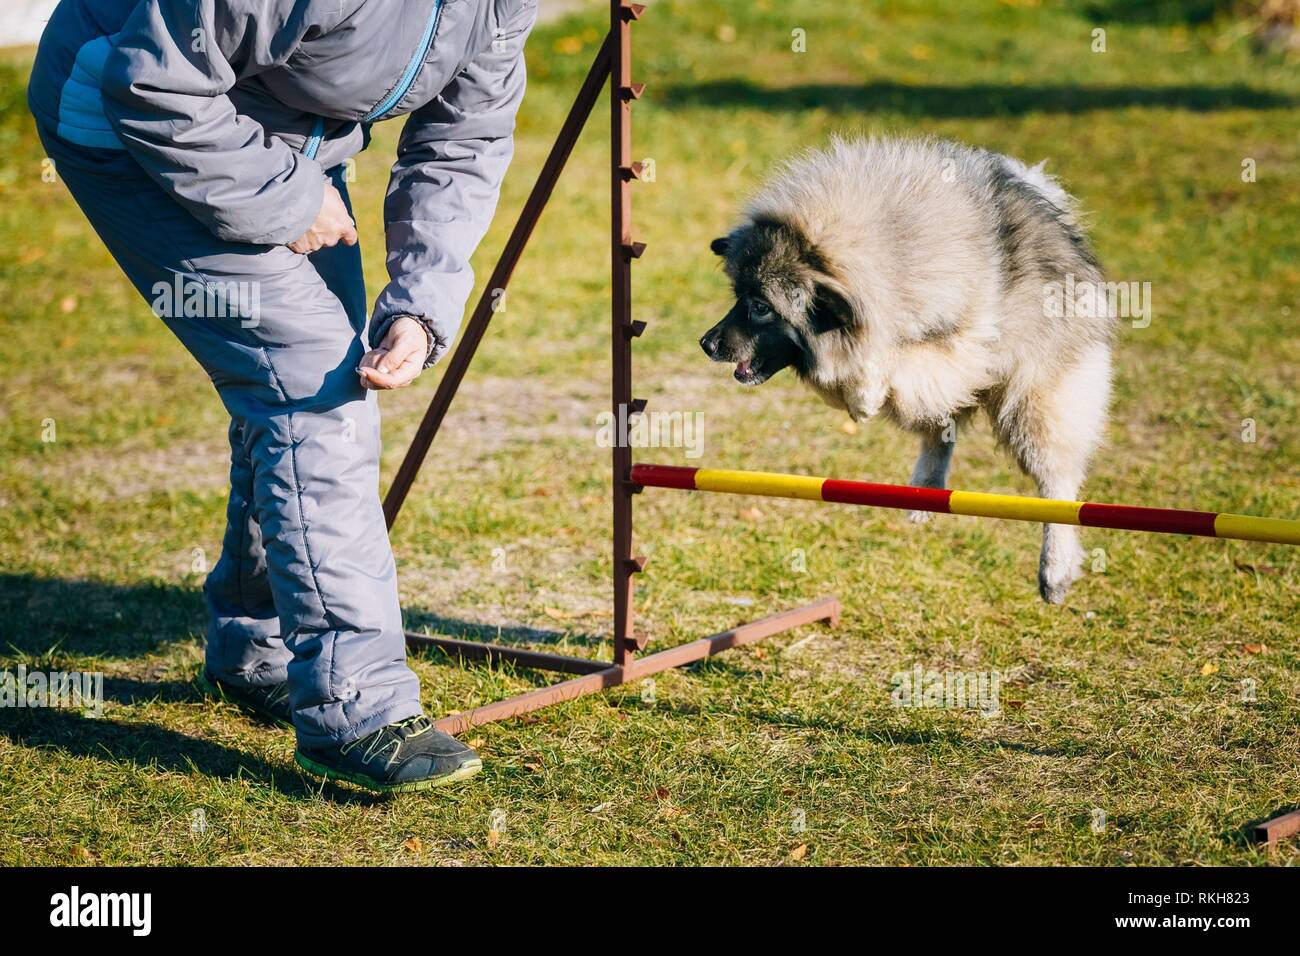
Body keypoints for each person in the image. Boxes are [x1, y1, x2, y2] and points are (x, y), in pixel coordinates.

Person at [27, 0, 538, 793]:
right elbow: (155, 84)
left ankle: (254, 645)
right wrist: (289, 201)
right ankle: (355, 710)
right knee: (309, 381)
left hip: (278, 143)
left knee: (305, 382)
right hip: (129, 117)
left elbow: (463, 138)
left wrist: (419, 306)